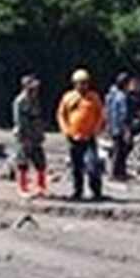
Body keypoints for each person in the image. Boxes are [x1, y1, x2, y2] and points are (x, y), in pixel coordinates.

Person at [56, 68, 106, 201]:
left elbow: (100, 115)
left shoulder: (94, 97)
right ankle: (77, 191)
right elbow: (61, 115)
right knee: (76, 167)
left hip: (89, 137)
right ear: (75, 83)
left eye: (85, 82)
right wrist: (66, 131)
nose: (83, 85)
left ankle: (96, 192)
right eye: (80, 83)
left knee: (93, 166)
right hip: (73, 137)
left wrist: (95, 130)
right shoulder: (68, 97)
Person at [12, 75, 48, 198]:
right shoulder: (20, 101)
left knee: (40, 162)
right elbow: (19, 121)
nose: (35, 90)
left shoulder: (35, 100)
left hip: (36, 136)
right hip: (24, 136)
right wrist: (24, 137)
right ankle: (23, 188)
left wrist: (41, 133)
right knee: (22, 163)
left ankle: (41, 187)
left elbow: (38, 118)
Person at [106, 72, 133, 182]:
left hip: (112, 126)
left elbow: (107, 111)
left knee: (118, 149)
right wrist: (127, 130)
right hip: (120, 127)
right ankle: (117, 173)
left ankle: (118, 172)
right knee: (121, 149)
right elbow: (124, 114)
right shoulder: (122, 97)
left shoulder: (111, 95)